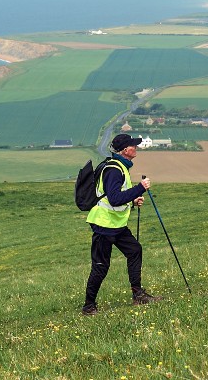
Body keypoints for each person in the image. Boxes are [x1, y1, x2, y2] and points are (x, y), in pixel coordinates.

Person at [81, 134, 163, 316]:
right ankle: (88, 307)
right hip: (104, 225)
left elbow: (116, 198)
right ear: (125, 150)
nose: (137, 148)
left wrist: (132, 201)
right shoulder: (114, 170)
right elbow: (115, 199)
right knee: (101, 266)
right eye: (134, 145)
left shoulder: (119, 167)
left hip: (115, 225)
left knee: (134, 250)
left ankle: (138, 295)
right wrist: (140, 187)